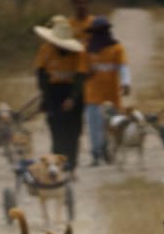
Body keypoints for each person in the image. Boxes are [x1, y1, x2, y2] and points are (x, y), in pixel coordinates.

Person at [34, 15, 87, 171]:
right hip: (53, 94)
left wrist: (72, 98)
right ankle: (56, 166)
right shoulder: (45, 50)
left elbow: (80, 77)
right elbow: (41, 74)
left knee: (73, 132)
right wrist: (45, 97)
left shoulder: (78, 53)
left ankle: (71, 165)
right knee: (57, 132)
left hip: (73, 93)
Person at [82, 16, 129, 166]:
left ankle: (108, 150)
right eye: (96, 32)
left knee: (111, 126)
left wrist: (126, 82)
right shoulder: (87, 50)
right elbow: (82, 70)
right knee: (94, 127)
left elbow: (123, 67)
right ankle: (95, 154)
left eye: (102, 32)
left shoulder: (116, 48)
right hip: (92, 95)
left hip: (111, 96)